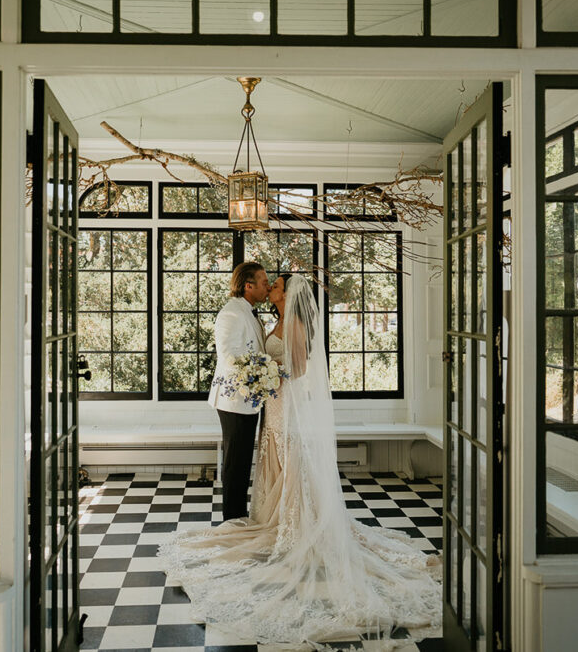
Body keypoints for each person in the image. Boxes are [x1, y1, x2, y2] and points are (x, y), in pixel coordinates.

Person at [160, 273, 441, 647]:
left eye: (274, 284)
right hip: (270, 400)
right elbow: (248, 354)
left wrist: (270, 374)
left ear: (286, 294)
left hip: (283, 400)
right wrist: (265, 375)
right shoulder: (269, 318)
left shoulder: (291, 321)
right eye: (266, 283)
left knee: (286, 452)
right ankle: (270, 516)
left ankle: (293, 519)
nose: (270, 287)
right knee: (273, 454)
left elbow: (301, 367)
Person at [208, 261, 270, 521]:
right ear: (248, 286)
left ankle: (238, 517)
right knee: (235, 464)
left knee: (243, 462)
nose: (267, 287)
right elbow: (229, 356)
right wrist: (265, 369)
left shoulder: (248, 311)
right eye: (264, 283)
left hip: (248, 399)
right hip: (234, 400)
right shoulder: (232, 313)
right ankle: (231, 521)